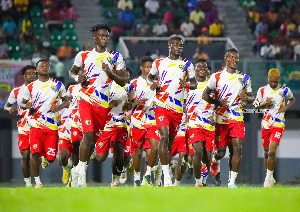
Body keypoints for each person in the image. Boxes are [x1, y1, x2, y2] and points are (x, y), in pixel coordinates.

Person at [69, 24, 126, 187]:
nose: (105, 39)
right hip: (86, 98)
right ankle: (81, 175)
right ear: (94, 37)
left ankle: (78, 169)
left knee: (93, 140)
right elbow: (72, 72)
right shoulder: (84, 55)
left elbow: (123, 81)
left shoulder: (116, 56)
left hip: (103, 104)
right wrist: (77, 78)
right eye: (102, 36)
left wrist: (110, 73)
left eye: (107, 36)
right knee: (88, 134)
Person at [147, 35, 196, 187]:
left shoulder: (187, 64)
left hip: (177, 108)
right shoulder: (159, 62)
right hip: (161, 103)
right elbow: (150, 76)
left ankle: (160, 169)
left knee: (168, 143)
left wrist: (187, 84)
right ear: (169, 45)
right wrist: (152, 83)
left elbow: (194, 83)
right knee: (164, 136)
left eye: (181, 45)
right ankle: (167, 178)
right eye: (175, 44)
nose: (179, 47)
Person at [202, 48, 254, 188]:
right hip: (220, 119)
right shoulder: (216, 77)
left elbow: (251, 97)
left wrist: (246, 98)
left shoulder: (244, 77)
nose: (235, 60)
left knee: (237, 149)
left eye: (237, 58)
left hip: (236, 118)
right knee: (221, 152)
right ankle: (215, 160)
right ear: (225, 59)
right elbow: (205, 95)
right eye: (232, 57)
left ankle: (232, 182)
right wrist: (217, 103)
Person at [20, 60, 69, 188]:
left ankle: (47, 157)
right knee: (34, 153)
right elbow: (22, 103)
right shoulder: (30, 86)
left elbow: (67, 101)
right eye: (42, 65)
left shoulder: (58, 84)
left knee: (51, 158)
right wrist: (27, 105)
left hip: (52, 126)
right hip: (36, 124)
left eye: (47, 65)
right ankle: (38, 182)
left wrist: (58, 107)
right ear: (37, 70)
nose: (45, 67)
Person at [254, 68, 295, 187]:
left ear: (278, 80)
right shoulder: (262, 91)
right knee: (267, 152)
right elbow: (256, 107)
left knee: (272, 151)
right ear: (268, 79)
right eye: (271, 81)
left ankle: (267, 179)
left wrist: (286, 108)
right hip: (265, 125)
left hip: (278, 124)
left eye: (275, 82)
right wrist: (264, 103)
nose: (273, 84)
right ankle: (270, 176)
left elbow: (292, 99)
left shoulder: (284, 90)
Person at [95, 66, 134, 187]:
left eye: (126, 73)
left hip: (120, 123)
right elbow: (96, 106)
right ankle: (121, 168)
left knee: (119, 151)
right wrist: (109, 105)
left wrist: (130, 107)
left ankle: (115, 180)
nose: (124, 75)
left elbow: (132, 102)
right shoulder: (102, 85)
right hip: (105, 124)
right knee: (100, 157)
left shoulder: (129, 86)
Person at [4, 65, 36, 187]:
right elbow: (7, 105)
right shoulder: (16, 91)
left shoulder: (41, 89)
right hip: (23, 128)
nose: (32, 75)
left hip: (39, 126)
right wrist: (9, 109)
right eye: (29, 73)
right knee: (25, 155)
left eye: (34, 73)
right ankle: (28, 184)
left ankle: (37, 179)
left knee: (36, 155)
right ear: (24, 76)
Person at [130, 56, 160, 186]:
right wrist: (136, 103)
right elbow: (127, 103)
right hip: (137, 119)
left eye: (151, 67)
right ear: (141, 68)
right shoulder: (134, 83)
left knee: (154, 148)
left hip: (153, 120)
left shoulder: (158, 83)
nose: (149, 69)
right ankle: (137, 177)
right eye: (147, 67)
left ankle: (147, 174)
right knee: (137, 152)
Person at [186, 59, 215, 187]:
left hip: (209, 124)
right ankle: (198, 183)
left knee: (207, 157)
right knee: (197, 151)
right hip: (193, 123)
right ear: (194, 70)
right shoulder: (187, 86)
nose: (202, 68)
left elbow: (219, 103)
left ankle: (203, 179)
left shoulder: (212, 85)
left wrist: (215, 116)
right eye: (199, 66)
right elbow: (180, 101)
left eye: (204, 66)